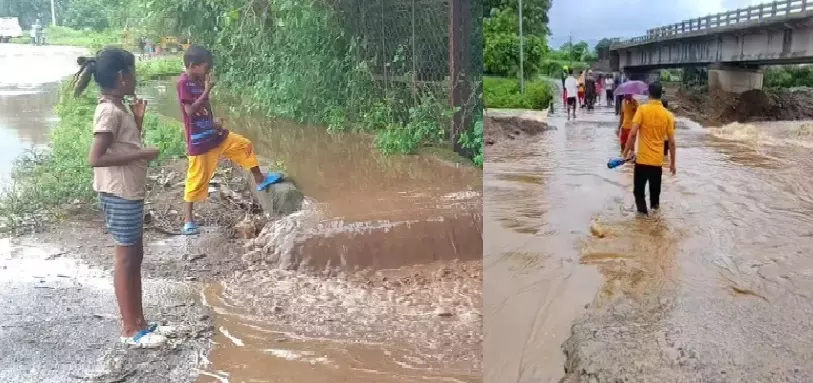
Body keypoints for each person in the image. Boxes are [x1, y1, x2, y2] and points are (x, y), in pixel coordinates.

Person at [75, 48, 172, 348]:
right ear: (122, 76)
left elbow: (121, 144)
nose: (135, 76)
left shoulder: (119, 108)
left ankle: (139, 321)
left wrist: (138, 122)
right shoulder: (108, 111)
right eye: (133, 71)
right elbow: (96, 157)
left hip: (128, 190)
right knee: (126, 258)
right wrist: (144, 153)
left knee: (134, 257)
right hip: (119, 192)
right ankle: (130, 328)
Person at [178, 45, 280, 235]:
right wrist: (207, 90)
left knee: (244, 144)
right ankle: (188, 220)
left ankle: (260, 179)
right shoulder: (183, 83)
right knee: (196, 179)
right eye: (205, 67)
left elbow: (205, 108)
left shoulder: (200, 80)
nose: (208, 71)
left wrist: (213, 121)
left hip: (215, 135)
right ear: (193, 66)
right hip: (200, 143)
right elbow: (190, 111)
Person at [623, 82, 676, 216]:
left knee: (639, 192)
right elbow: (671, 142)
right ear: (661, 94)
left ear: (648, 94)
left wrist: (625, 152)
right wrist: (672, 163)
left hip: (642, 161)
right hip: (657, 163)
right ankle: (654, 225)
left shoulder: (642, 109)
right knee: (655, 198)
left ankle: (642, 222)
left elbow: (633, 134)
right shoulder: (668, 115)